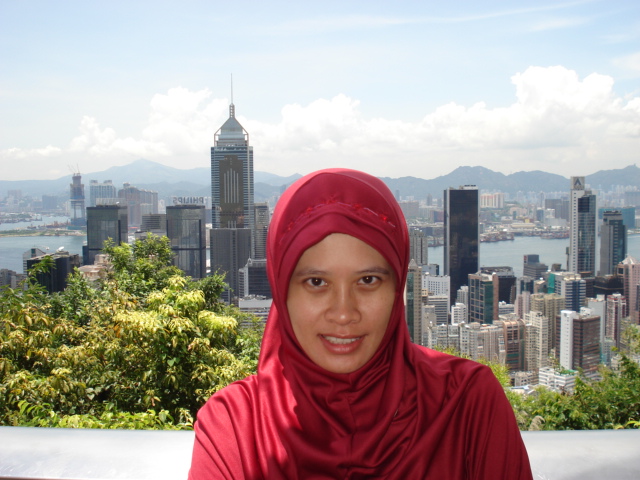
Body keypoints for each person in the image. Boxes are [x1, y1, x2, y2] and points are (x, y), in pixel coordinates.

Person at [189, 168, 532, 479]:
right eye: (316, 282)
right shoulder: (236, 427)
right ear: (282, 291)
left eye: (368, 280)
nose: (343, 313)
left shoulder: (465, 404)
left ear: (397, 288)